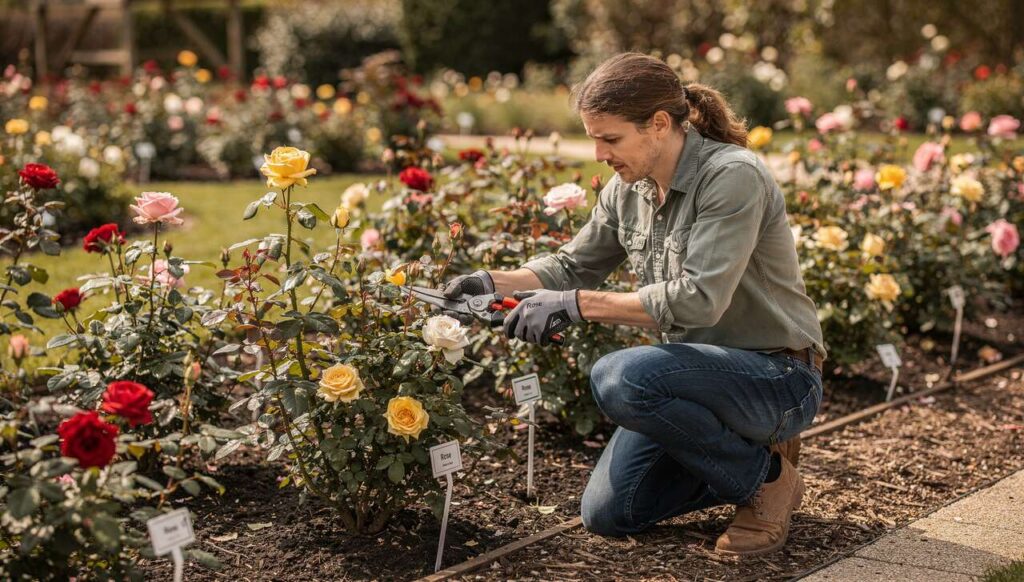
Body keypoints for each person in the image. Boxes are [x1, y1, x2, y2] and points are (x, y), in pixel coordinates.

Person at [441, 52, 825, 557]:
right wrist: (491, 281)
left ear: (659, 124)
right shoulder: (629, 188)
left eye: (611, 138)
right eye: (593, 138)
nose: (599, 153)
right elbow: (572, 265)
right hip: (696, 383)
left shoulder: (732, 176)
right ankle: (744, 460)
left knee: (620, 377)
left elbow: (701, 300)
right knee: (609, 513)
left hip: (777, 377)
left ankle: (767, 483)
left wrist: (574, 305)